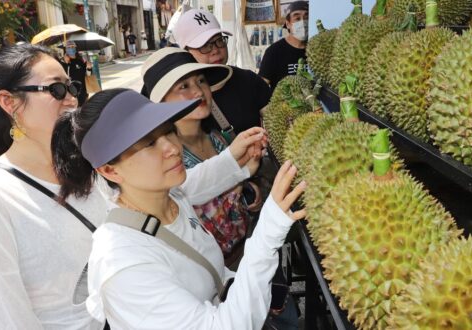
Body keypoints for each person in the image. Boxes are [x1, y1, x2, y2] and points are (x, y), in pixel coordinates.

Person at [51, 88, 306, 328]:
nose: (173, 148)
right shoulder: (125, 267)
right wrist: (268, 233)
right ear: (110, 170)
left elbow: (197, 181)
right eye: (149, 143)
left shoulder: (166, 196)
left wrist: (233, 161)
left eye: (169, 131)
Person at [0, 43, 107, 329]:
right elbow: (9, 313)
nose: (72, 100)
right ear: (9, 102)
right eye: (56, 90)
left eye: (71, 88)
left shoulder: (87, 165)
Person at [141, 47, 261, 269]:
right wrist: (237, 164)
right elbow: (183, 190)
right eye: (183, 86)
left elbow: (228, 188)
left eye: (201, 81)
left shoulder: (218, 136)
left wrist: (249, 189)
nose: (198, 91)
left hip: (248, 255)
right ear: (161, 101)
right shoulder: (163, 156)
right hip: (209, 274)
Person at [173, 9, 272, 135]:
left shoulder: (249, 80)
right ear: (184, 52)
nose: (215, 50)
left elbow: (276, 122)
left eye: (219, 41)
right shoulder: (177, 95)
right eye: (204, 45)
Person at [258, 1, 309, 90]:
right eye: (297, 18)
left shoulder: (316, 49)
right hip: (284, 102)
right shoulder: (274, 51)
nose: (303, 22)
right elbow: (260, 87)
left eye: (306, 17)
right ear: (288, 24)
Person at [60, 40, 91, 106]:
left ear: (75, 48)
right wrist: (66, 64)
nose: (71, 48)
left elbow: (88, 75)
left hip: (83, 92)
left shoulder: (80, 61)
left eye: (73, 47)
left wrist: (89, 68)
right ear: (66, 49)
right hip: (71, 93)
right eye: (69, 47)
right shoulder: (62, 62)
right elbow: (64, 77)